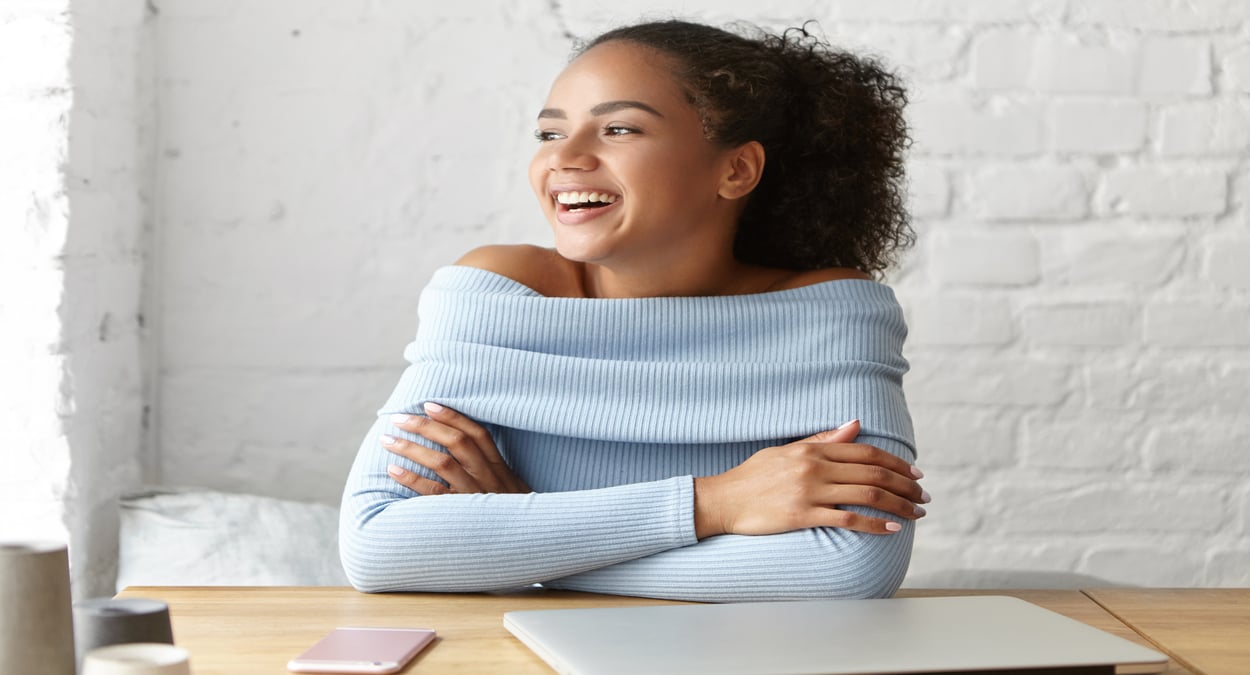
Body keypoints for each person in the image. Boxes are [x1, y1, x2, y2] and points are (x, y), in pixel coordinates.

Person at [339, 19, 927, 602]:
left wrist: (523, 537)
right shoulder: (496, 294)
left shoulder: (831, 314)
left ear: (736, 169)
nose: (564, 159)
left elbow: (848, 567)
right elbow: (379, 545)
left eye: (618, 129)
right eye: (548, 135)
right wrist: (715, 502)